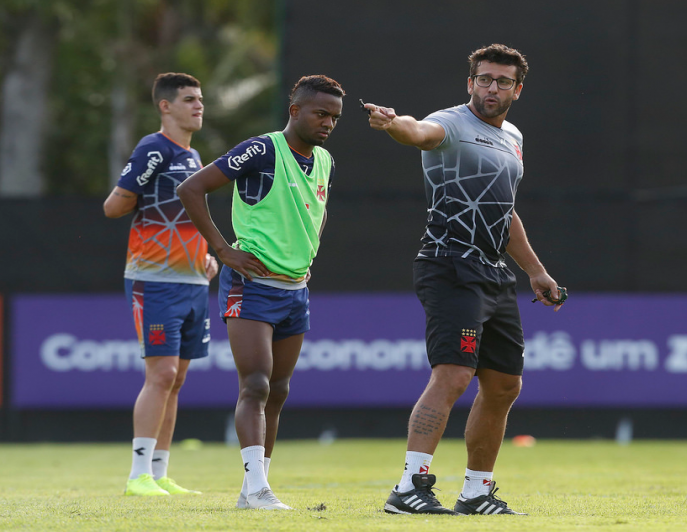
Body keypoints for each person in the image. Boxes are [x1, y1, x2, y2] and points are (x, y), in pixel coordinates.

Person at [364, 44, 564, 516]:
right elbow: (418, 131)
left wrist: (536, 271)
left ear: (517, 89)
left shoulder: (513, 137)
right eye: (484, 79)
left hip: (494, 272)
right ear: (470, 83)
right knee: (454, 374)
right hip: (449, 263)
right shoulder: (450, 122)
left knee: (505, 385)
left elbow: (504, 211)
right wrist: (393, 124)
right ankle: (408, 488)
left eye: (503, 81)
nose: (492, 88)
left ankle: (476, 493)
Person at [176, 75, 345, 510]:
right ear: (295, 111)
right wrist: (222, 250)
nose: (328, 123)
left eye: (334, 117)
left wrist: (307, 250)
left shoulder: (324, 160)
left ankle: (252, 490)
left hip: (295, 287)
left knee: (279, 389)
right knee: (254, 384)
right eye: (320, 114)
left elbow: (318, 211)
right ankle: (257, 488)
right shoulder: (263, 149)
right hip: (250, 285)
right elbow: (190, 188)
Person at [104, 72, 218, 496]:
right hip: (154, 279)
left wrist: (205, 256)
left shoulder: (194, 155)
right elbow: (114, 207)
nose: (199, 105)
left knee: (177, 378)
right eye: (189, 99)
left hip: (193, 280)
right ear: (165, 106)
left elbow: (188, 217)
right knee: (162, 373)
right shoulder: (154, 148)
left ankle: (160, 472)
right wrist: (137, 183)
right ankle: (138, 477)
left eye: (200, 99)